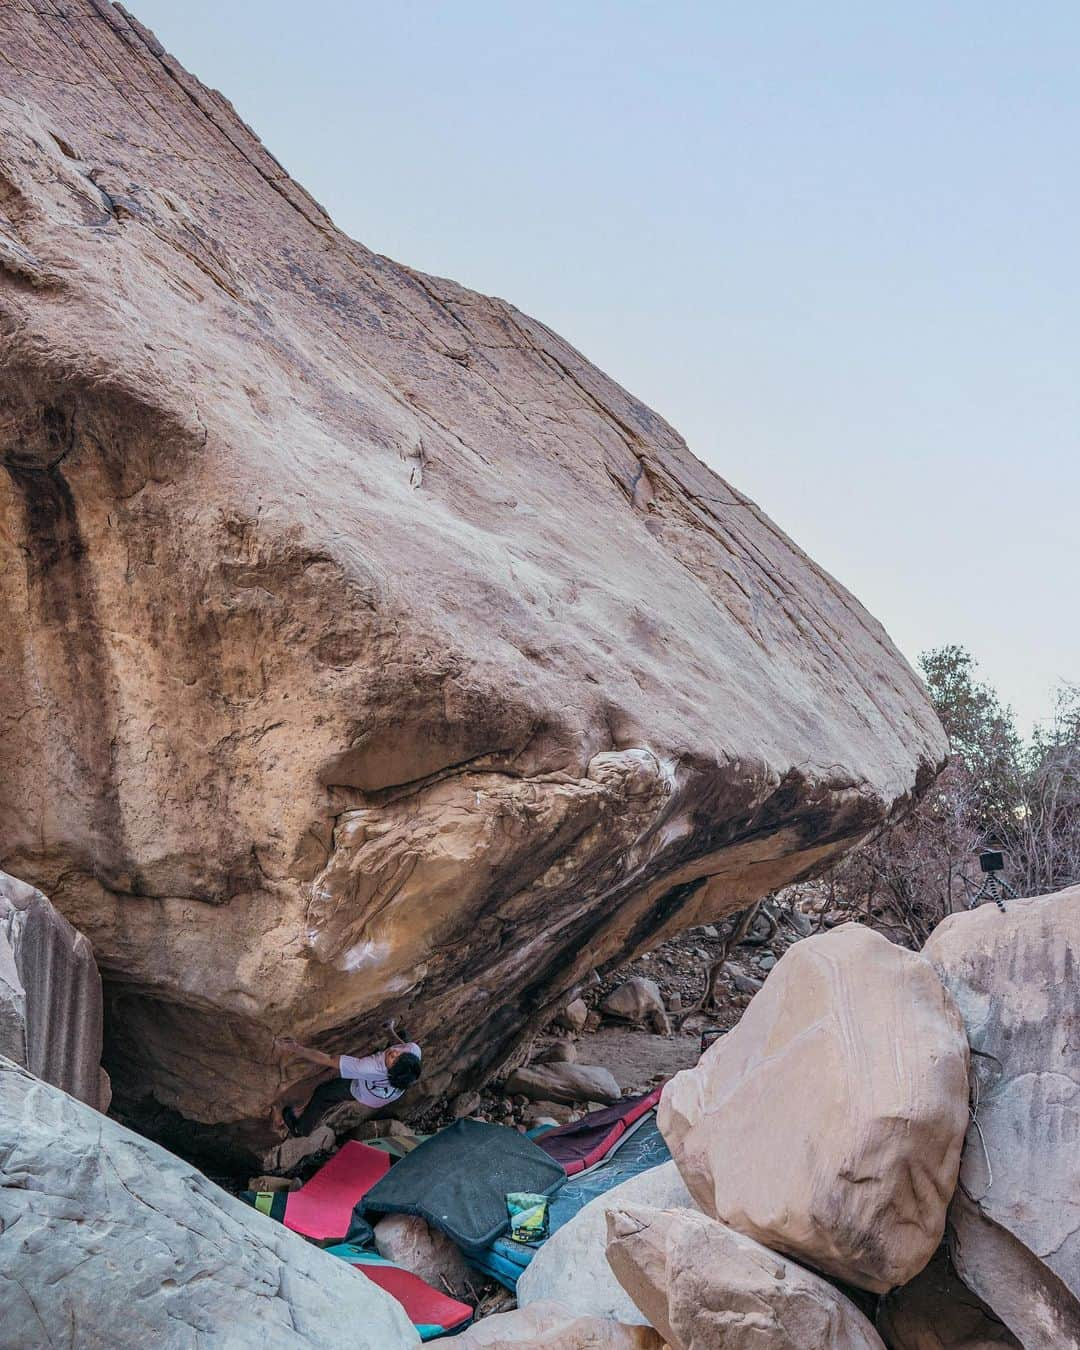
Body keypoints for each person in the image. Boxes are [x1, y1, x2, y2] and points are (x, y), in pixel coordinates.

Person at [275, 1032, 422, 1136]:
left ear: (391, 1073)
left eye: (394, 1062)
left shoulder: (368, 1068)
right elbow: (402, 1046)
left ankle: (301, 1129)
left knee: (324, 1093)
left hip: (367, 1093)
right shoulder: (413, 1051)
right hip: (388, 1092)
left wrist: (294, 1048)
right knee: (403, 1035)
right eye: (400, 1055)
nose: (394, 1053)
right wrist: (389, 1031)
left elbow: (330, 1059)